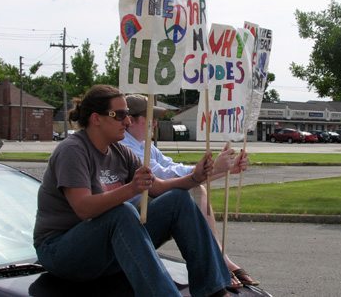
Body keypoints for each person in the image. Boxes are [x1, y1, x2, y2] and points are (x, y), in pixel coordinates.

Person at [33, 85, 231, 297]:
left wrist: (195, 177)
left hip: (103, 249)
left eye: (127, 114)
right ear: (96, 118)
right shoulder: (73, 150)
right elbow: (84, 209)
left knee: (178, 199)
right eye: (119, 115)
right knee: (123, 212)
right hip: (61, 252)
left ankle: (214, 291)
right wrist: (131, 188)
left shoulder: (120, 151)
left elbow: (158, 187)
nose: (127, 121)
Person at [120, 94, 259, 288]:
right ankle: (217, 263)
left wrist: (226, 168)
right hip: (133, 220)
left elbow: (175, 171)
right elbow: (165, 176)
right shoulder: (126, 146)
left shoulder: (145, 146)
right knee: (192, 191)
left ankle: (220, 258)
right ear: (132, 120)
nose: (156, 123)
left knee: (197, 188)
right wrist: (215, 168)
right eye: (151, 117)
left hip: (145, 208)